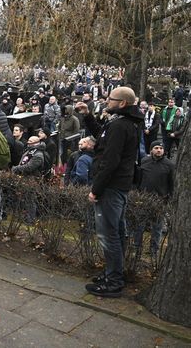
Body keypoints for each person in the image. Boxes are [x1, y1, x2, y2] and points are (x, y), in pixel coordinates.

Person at [75, 86, 144, 298]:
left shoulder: (121, 125)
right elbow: (102, 138)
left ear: (122, 103)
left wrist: (96, 189)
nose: (107, 100)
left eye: (111, 98)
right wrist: (88, 116)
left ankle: (113, 281)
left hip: (111, 187)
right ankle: (113, 273)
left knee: (109, 234)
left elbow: (110, 160)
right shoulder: (120, 122)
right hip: (118, 185)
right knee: (117, 232)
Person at [132, 140, 175, 261]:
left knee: (157, 227)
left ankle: (154, 250)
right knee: (139, 226)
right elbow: (138, 179)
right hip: (143, 199)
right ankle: (137, 248)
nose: (159, 150)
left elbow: (172, 184)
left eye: (161, 148)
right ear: (151, 150)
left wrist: (170, 199)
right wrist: (136, 193)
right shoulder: (144, 161)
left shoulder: (170, 165)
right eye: (156, 148)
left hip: (160, 200)